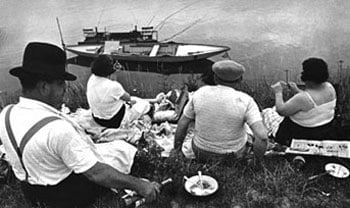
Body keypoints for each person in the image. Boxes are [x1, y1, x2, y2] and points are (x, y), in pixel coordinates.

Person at [0, 42, 160, 208]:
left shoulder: (6, 113)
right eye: (61, 83)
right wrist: (141, 186)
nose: (65, 89)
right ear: (44, 87)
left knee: (110, 150)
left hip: (30, 191)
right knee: (117, 152)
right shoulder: (57, 129)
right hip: (64, 196)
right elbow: (96, 173)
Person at [174, 60, 268, 162]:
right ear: (239, 80)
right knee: (248, 132)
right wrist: (257, 161)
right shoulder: (246, 100)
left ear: (215, 77)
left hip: (201, 153)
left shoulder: (200, 93)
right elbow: (262, 137)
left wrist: (177, 151)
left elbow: (182, 123)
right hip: (233, 156)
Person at [271, 57, 337, 146]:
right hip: (323, 128)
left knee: (270, 112)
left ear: (306, 75)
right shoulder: (329, 88)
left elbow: (281, 110)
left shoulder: (302, 98)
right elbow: (312, 101)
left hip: (303, 132)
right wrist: (296, 90)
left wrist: (278, 92)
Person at [86, 55, 136, 129]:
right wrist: (113, 78)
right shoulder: (113, 86)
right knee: (141, 105)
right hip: (112, 121)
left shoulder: (92, 78)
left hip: (97, 118)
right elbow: (127, 97)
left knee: (114, 98)